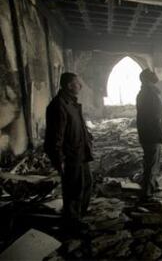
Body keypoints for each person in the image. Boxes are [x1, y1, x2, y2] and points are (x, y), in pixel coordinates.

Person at [44, 72, 93, 233]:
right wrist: (59, 160)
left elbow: (76, 126)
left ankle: (78, 216)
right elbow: (55, 136)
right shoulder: (59, 105)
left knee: (86, 185)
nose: (80, 86)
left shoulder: (71, 103)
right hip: (71, 156)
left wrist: (87, 137)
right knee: (73, 190)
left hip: (81, 152)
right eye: (78, 83)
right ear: (69, 86)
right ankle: (72, 222)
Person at [136, 68, 162, 200]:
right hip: (152, 135)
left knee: (150, 162)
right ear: (147, 79)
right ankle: (147, 193)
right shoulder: (150, 94)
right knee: (152, 164)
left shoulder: (144, 93)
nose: (156, 74)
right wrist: (161, 135)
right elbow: (155, 118)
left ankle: (151, 186)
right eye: (152, 74)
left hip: (146, 134)